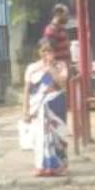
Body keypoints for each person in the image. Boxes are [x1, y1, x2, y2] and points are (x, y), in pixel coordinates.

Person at [22, 39, 70, 176]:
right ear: (39, 52)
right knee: (40, 136)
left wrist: (51, 69)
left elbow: (62, 83)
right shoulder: (32, 68)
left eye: (50, 51)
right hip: (37, 105)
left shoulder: (61, 65)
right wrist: (25, 110)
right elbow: (27, 90)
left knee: (56, 136)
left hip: (55, 104)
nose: (46, 53)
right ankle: (41, 166)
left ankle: (58, 166)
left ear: (54, 52)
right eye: (44, 50)